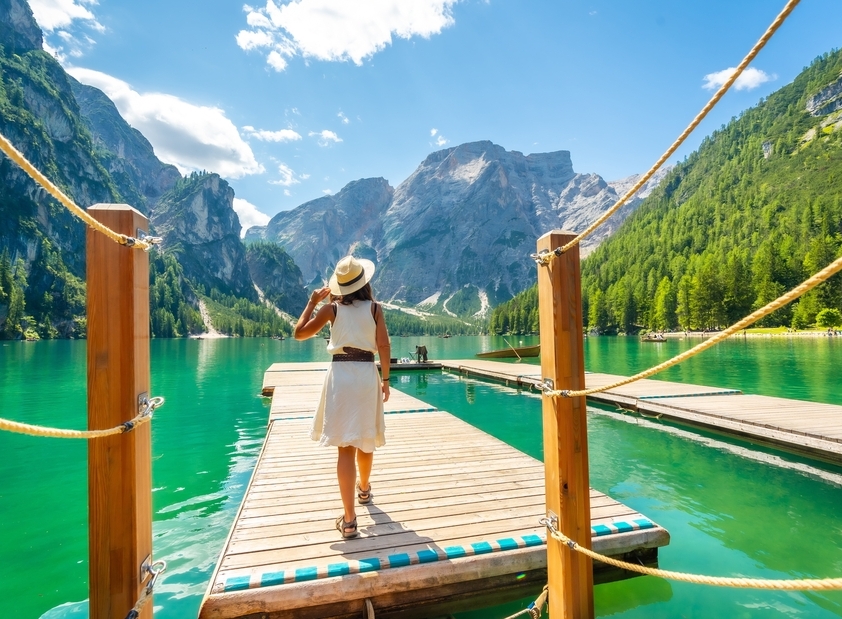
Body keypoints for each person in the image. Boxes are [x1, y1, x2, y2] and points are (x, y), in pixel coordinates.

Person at [293, 255, 391, 539]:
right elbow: (383, 345)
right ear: (364, 282)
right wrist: (385, 380)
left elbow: (299, 334)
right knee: (366, 438)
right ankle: (364, 489)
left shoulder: (331, 310)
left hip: (340, 376)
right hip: (365, 375)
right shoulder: (375, 309)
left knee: (345, 448)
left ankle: (349, 520)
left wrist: (312, 302)